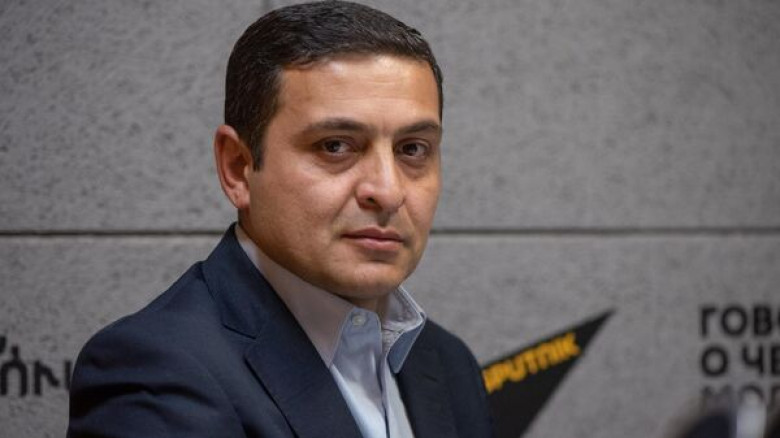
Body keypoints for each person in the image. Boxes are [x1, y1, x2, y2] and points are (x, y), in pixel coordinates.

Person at [67, 1, 494, 437]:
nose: (388, 191)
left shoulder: (449, 365)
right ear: (238, 168)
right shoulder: (156, 372)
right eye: (335, 146)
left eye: (412, 149)